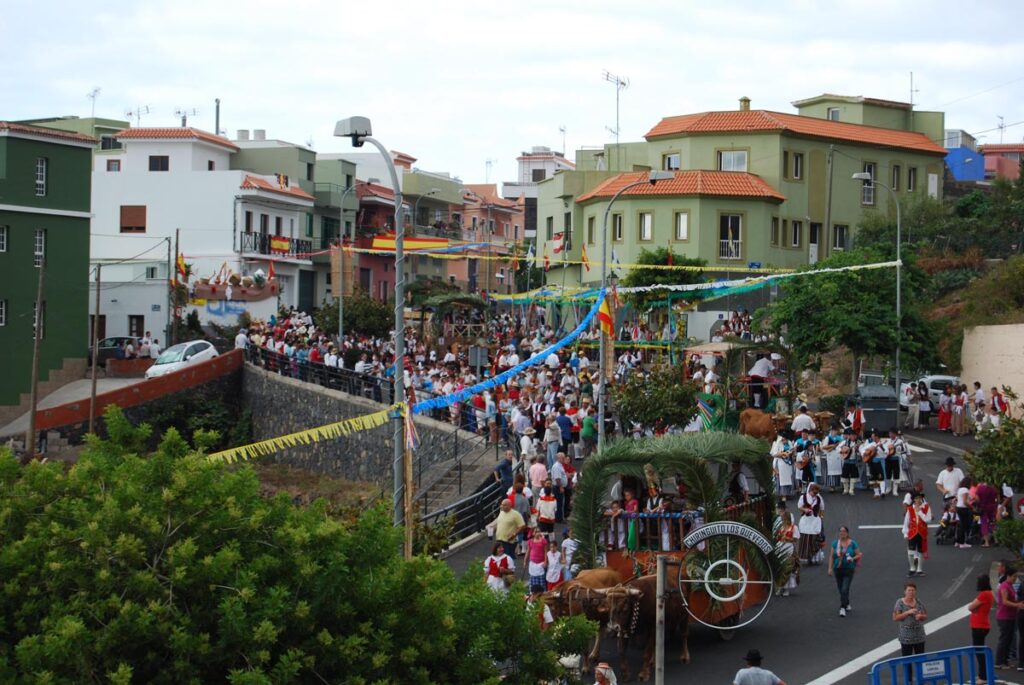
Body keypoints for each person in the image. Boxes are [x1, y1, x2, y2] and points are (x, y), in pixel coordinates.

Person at [893, 580, 928, 679]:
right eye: (909, 590)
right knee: (907, 661)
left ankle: (921, 679)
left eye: (913, 590)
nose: (911, 592)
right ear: (905, 591)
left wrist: (921, 616)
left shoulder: (919, 602)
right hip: (906, 638)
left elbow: (925, 615)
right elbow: (895, 617)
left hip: (919, 637)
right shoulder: (900, 603)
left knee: (920, 660)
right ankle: (909, 680)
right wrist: (907, 613)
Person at [827, 525, 862, 617]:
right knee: (841, 588)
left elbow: (859, 554)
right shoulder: (835, 544)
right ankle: (847, 602)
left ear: (847, 533)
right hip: (837, 569)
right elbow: (831, 556)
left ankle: (842, 607)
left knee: (844, 588)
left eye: (844, 531)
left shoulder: (852, 543)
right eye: (840, 531)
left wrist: (853, 558)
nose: (842, 533)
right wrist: (830, 568)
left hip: (848, 569)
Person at [995, 561, 1024, 669]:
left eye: (1016, 576)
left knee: (1009, 639)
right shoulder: (1004, 586)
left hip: (1011, 616)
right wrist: (1017, 605)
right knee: (1004, 639)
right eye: (1014, 576)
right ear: (1008, 576)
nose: (1015, 579)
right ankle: (999, 662)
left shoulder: (1010, 586)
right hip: (1004, 616)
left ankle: (1005, 661)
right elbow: (1005, 601)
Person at [968, 573, 995, 683]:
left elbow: (971, 607)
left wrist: (974, 608)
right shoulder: (988, 594)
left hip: (979, 626)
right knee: (980, 651)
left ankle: (983, 677)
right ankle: (982, 674)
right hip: (982, 625)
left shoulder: (984, 594)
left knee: (979, 652)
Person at [902, 491, 932, 576]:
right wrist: (905, 533)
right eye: (916, 498)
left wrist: (920, 512)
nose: (918, 500)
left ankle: (919, 569)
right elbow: (906, 522)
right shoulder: (910, 509)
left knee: (920, 551)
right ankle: (912, 568)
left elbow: (928, 520)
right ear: (914, 500)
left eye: (919, 498)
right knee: (910, 552)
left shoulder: (926, 507)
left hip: (922, 532)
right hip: (912, 533)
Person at [797, 483, 824, 564]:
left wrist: (821, 517)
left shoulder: (819, 498)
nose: (815, 494)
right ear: (810, 490)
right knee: (805, 538)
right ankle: (807, 557)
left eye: (816, 492)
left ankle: (814, 558)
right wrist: (805, 510)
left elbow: (822, 508)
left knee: (814, 539)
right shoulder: (803, 497)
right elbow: (799, 507)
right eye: (814, 492)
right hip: (806, 521)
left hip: (815, 521)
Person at [955, 476, 975, 549]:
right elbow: (965, 502)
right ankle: (962, 542)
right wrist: (972, 507)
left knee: (960, 525)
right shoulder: (965, 490)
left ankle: (958, 541)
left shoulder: (960, 489)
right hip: (963, 508)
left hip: (959, 507)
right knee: (964, 525)